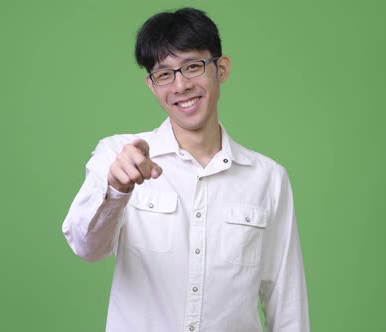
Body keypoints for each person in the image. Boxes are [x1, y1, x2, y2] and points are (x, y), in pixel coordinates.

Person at [62, 7, 309, 332]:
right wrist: (115, 189)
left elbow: (286, 301)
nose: (180, 86)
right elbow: (86, 248)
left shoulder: (268, 178)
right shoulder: (119, 156)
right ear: (152, 85)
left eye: (192, 66)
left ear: (221, 69)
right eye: (164, 74)